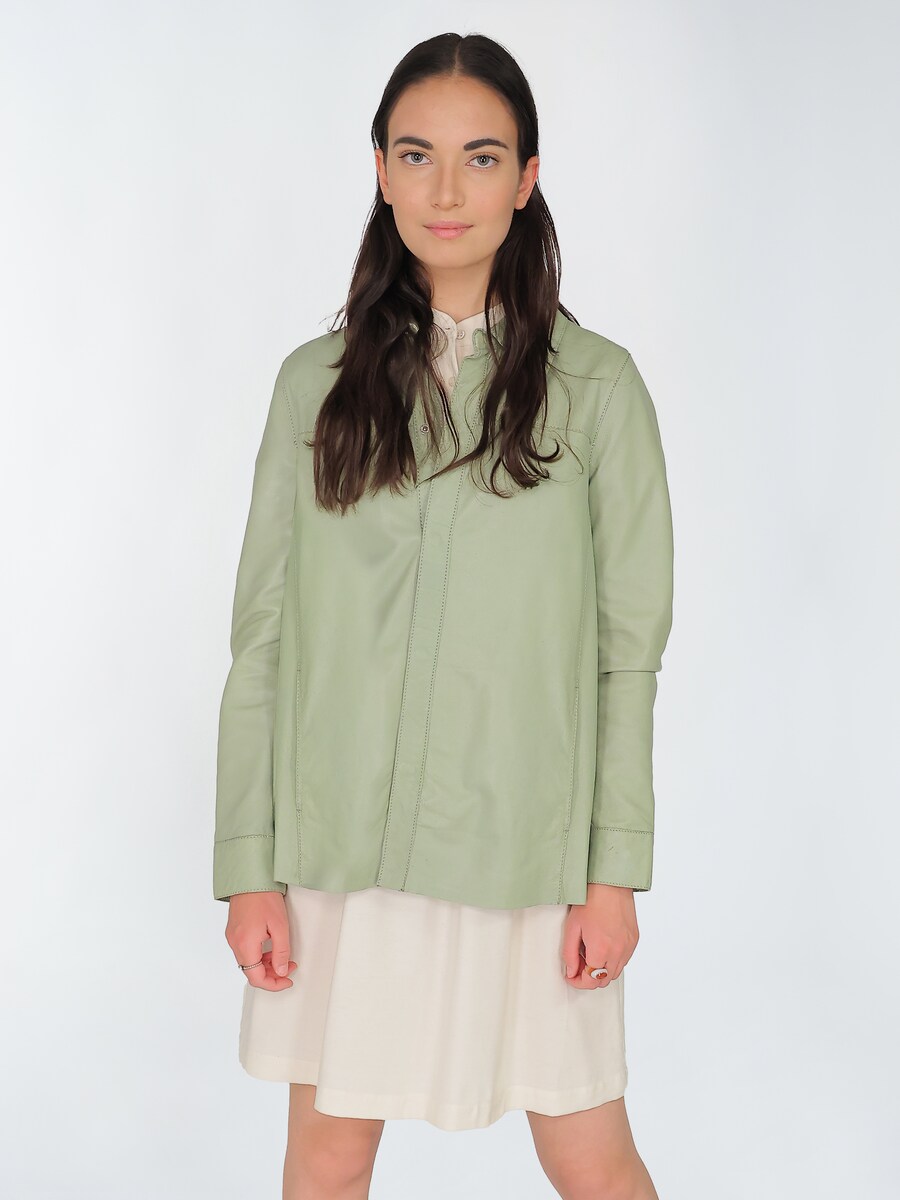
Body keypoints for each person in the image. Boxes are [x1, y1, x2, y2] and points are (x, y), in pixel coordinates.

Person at [214, 30, 674, 1200]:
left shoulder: (598, 390)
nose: (447, 190)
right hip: (340, 855)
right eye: (417, 155)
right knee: (328, 1157)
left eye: (482, 158)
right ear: (380, 170)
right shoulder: (314, 387)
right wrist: (250, 867)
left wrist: (613, 872)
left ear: (527, 178)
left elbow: (627, 653)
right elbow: (262, 637)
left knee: (589, 1155)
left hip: (529, 852)